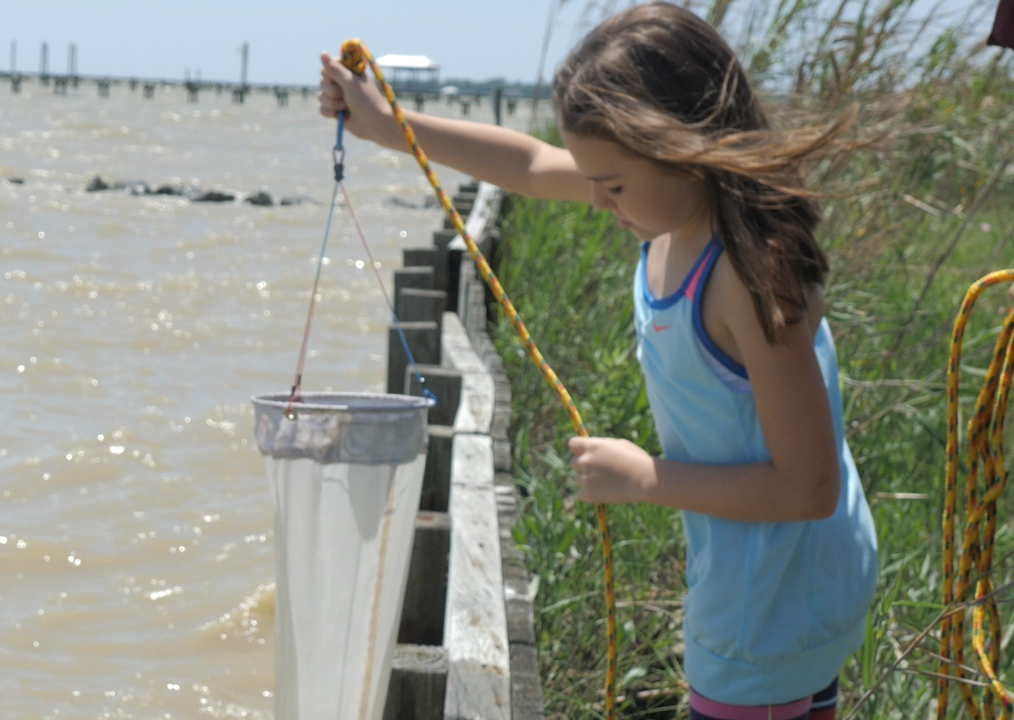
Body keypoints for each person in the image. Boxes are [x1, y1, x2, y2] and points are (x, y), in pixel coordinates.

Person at [318, 3, 878, 718]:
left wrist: (646, 477)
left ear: (681, 147)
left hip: (766, 606)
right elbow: (526, 162)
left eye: (611, 184)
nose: (598, 198)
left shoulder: (750, 274)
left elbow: (808, 489)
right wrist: (390, 128)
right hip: (783, 583)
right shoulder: (670, 212)